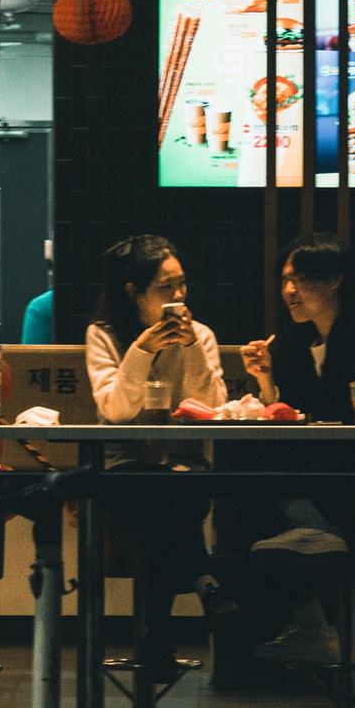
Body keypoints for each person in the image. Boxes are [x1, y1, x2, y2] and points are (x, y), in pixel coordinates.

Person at [237, 232, 355, 662]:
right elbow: (291, 417)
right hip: (323, 470)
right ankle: (310, 622)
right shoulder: (290, 344)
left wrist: (306, 421)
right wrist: (266, 383)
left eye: (301, 278)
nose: (289, 290)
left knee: (274, 497)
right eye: (285, 279)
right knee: (237, 485)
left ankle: (316, 579)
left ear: (336, 279)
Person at [85, 234, 237, 681]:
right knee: (162, 497)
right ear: (133, 291)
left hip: (181, 463)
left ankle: (153, 642)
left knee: (168, 503)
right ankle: (204, 580)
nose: (178, 297)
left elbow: (210, 406)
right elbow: (115, 409)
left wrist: (189, 348)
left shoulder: (200, 335)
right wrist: (143, 350)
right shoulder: (104, 335)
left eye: (182, 286)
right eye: (165, 288)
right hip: (123, 463)